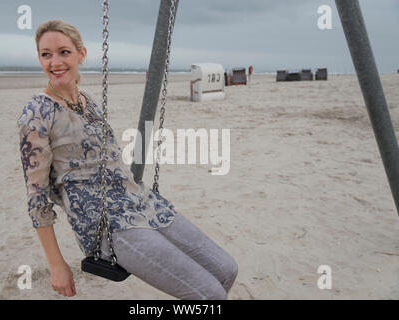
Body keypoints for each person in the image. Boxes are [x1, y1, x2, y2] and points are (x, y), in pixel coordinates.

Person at [17, 20, 238, 300]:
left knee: (227, 269)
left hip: (139, 200)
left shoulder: (90, 100)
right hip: (105, 223)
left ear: (81, 54)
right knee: (208, 294)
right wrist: (56, 264)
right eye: (45, 54)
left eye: (63, 52)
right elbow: (36, 198)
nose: (55, 62)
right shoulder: (35, 113)